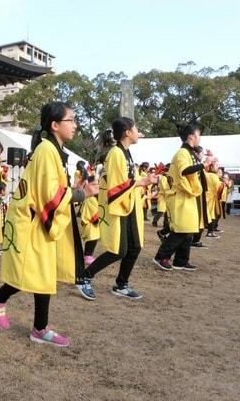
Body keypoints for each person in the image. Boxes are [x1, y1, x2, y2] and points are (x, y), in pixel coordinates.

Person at [0, 101, 98, 347]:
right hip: (32, 221)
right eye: (71, 120)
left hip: (38, 220)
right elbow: (49, 195)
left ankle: (37, 326)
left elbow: (53, 190)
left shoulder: (52, 151)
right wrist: (82, 194)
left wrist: (76, 191)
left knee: (42, 274)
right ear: (55, 125)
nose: (75, 126)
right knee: (33, 272)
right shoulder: (47, 151)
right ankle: (2, 301)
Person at [79, 118, 156, 301]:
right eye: (136, 128)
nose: (138, 131)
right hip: (118, 206)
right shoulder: (116, 153)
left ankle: (122, 284)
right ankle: (85, 276)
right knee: (118, 250)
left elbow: (126, 181)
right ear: (127, 132)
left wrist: (143, 181)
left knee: (135, 247)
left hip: (129, 206)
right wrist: (142, 181)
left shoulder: (126, 153)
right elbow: (116, 186)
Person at [154, 122, 215, 272]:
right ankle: (161, 256)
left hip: (188, 195)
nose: (200, 137)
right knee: (181, 229)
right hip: (181, 196)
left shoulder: (189, 153)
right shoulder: (182, 153)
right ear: (191, 136)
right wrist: (203, 164)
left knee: (189, 229)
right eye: (199, 134)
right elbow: (184, 171)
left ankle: (181, 261)